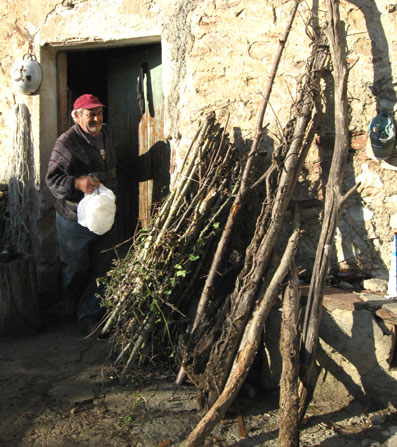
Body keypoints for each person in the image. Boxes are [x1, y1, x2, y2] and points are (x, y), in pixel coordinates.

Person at [46, 94, 118, 332]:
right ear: (77, 117)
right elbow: (52, 180)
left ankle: (88, 316)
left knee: (103, 265)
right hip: (74, 218)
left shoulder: (105, 134)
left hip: (102, 215)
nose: (96, 118)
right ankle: (68, 308)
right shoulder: (66, 143)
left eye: (99, 112)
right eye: (91, 114)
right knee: (76, 269)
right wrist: (77, 183)